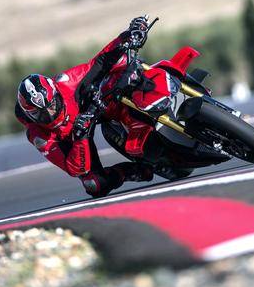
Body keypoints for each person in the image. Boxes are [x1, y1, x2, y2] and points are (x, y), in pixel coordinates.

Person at [15, 16, 155, 198]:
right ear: (30, 116)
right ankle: (132, 171)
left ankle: (152, 101)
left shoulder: (67, 81)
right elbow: (75, 169)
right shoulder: (39, 136)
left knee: (121, 64)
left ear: (56, 93)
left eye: (52, 105)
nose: (50, 113)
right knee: (94, 185)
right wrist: (80, 136)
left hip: (93, 106)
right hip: (77, 136)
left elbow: (99, 63)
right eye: (40, 114)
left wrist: (128, 36)